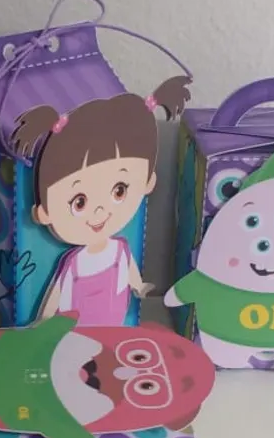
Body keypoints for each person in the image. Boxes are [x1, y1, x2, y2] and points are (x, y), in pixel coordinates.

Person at [10, 75, 191, 326]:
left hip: (113, 319)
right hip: (73, 327)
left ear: (148, 182)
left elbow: (130, 272)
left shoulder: (120, 249)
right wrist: (44, 320)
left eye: (119, 191)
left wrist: (140, 287)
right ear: (44, 212)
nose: (99, 212)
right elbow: (57, 294)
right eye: (79, 202)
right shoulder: (74, 263)